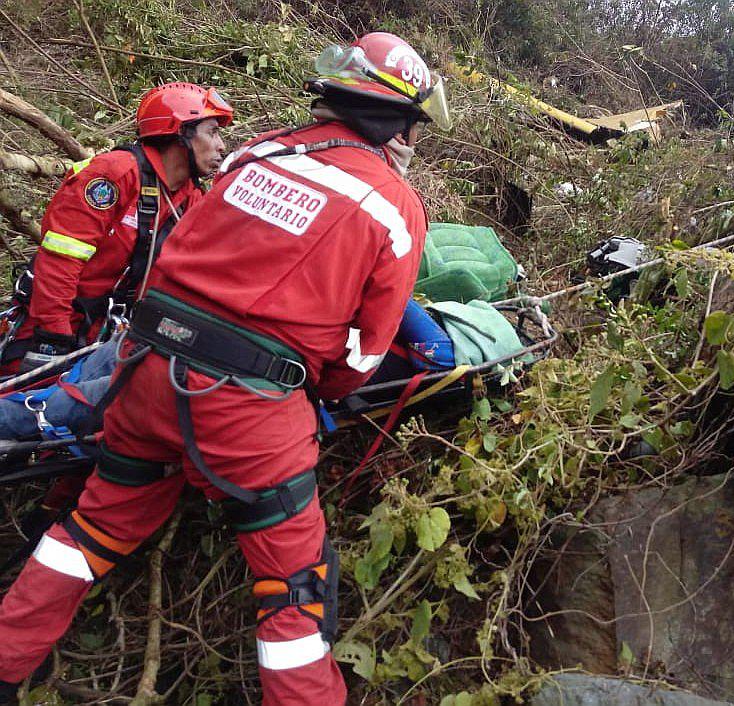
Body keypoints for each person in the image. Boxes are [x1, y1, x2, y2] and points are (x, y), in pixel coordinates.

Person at [0, 31, 450, 705]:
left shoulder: (258, 153)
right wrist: (308, 389)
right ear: (397, 123)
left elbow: (181, 256)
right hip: (246, 411)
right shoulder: (394, 204)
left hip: (143, 373)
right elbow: (363, 354)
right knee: (295, 591)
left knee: (88, 532)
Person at [0, 83, 233, 374]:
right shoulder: (114, 174)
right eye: (212, 132)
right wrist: (54, 336)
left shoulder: (189, 197)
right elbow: (61, 260)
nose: (221, 146)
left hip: (113, 335)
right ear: (180, 132)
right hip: (54, 326)